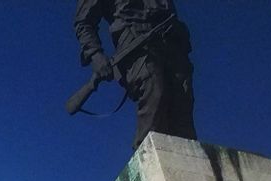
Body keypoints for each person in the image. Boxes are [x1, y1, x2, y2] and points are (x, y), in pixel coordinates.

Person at [74, 0, 196, 148]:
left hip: (172, 41)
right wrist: (95, 54)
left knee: (182, 103)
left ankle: (191, 162)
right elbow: (83, 21)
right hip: (137, 44)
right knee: (155, 91)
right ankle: (148, 154)